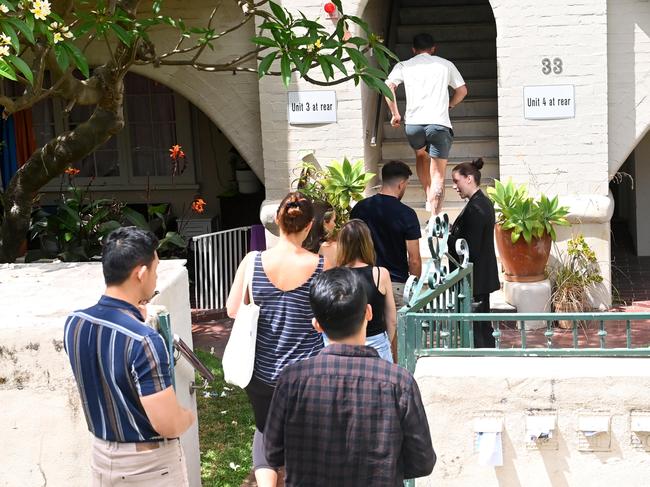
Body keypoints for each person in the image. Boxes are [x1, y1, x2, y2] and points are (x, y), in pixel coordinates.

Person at [264, 267, 436, 486]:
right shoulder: (399, 383)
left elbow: (272, 453)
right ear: (369, 313)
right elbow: (422, 461)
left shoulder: (292, 380)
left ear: (316, 324)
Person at [63, 227, 195, 486]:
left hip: (102, 456)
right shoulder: (144, 340)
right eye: (155, 271)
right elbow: (167, 424)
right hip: (148, 467)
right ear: (141, 273)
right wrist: (187, 415)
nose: (156, 279)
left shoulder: (75, 323)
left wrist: (135, 318)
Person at [226, 192, 327, 487]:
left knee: (266, 431)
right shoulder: (321, 266)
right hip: (305, 374)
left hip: (261, 372)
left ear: (279, 224)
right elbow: (329, 318)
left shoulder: (253, 261)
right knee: (304, 437)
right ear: (309, 226)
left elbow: (233, 309)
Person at [385, 33, 468, 217]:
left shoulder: (404, 65)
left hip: (414, 124)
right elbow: (462, 91)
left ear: (413, 50)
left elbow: (388, 85)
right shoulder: (445, 64)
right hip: (438, 123)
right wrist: (450, 105)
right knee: (438, 173)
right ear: (433, 49)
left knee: (421, 155)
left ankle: (428, 196)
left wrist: (395, 114)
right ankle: (435, 217)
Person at [350, 160, 422, 309]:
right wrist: (414, 286)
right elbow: (414, 259)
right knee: (397, 330)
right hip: (395, 283)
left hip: (364, 280)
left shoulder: (360, 208)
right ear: (401, 184)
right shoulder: (407, 214)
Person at [448, 158, 500, 348]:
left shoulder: (478, 206)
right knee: (480, 326)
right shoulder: (479, 203)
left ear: (469, 179)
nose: (455, 186)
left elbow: (471, 247)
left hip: (476, 278)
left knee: (478, 329)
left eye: (456, 181)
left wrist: (448, 238)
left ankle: (482, 360)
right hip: (477, 276)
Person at [336, 219, 397, 362]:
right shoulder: (380, 274)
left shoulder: (336, 275)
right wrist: (388, 344)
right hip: (377, 343)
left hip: (345, 342)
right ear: (367, 243)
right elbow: (392, 318)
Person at [302, 199, 337, 267]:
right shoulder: (330, 248)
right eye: (334, 220)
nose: (335, 225)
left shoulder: (298, 244)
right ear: (324, 223)